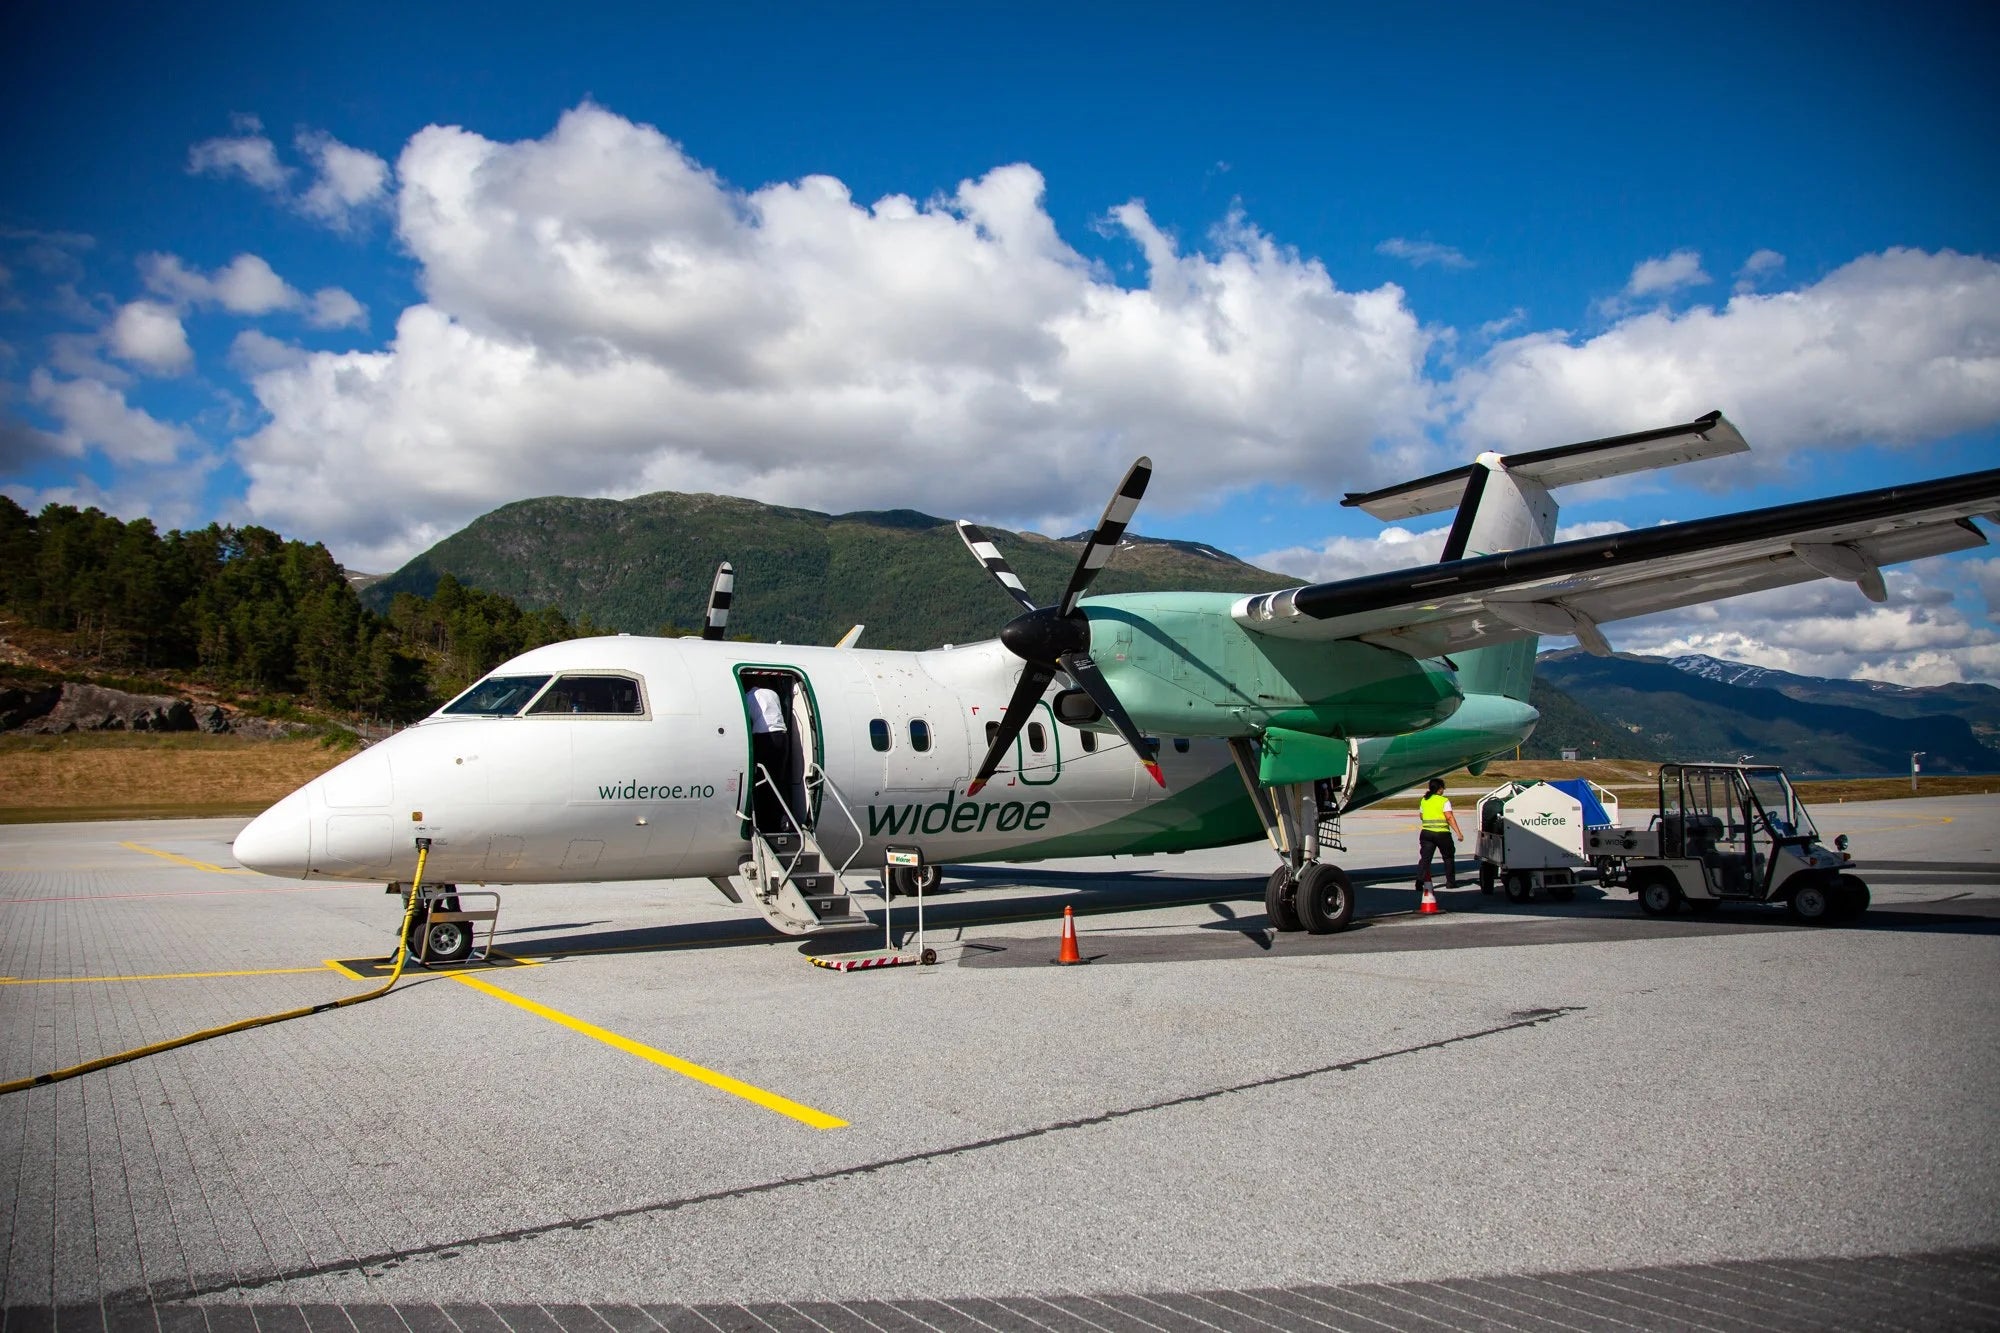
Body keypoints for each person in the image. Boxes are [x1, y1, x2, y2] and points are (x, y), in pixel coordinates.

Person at [747, 683, 791, 830]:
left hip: (764, 737)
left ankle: (765, 821)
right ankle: (784, 820)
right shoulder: (773, 693)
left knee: (762, 780)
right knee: (779, 779)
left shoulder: (749, 697)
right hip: (782, 736)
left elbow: (747, 719)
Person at [1417, 777, 1464, 894]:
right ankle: (1450, 882)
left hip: (1426, 833)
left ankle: (1419, 881)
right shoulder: (1443, 801)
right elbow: (1449, 817)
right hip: (1442, 833)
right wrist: (1458, 832)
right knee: (1448, 857)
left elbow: (1421, 816)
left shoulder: (1424, 800)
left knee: (1425, 859)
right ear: (1440, 789)